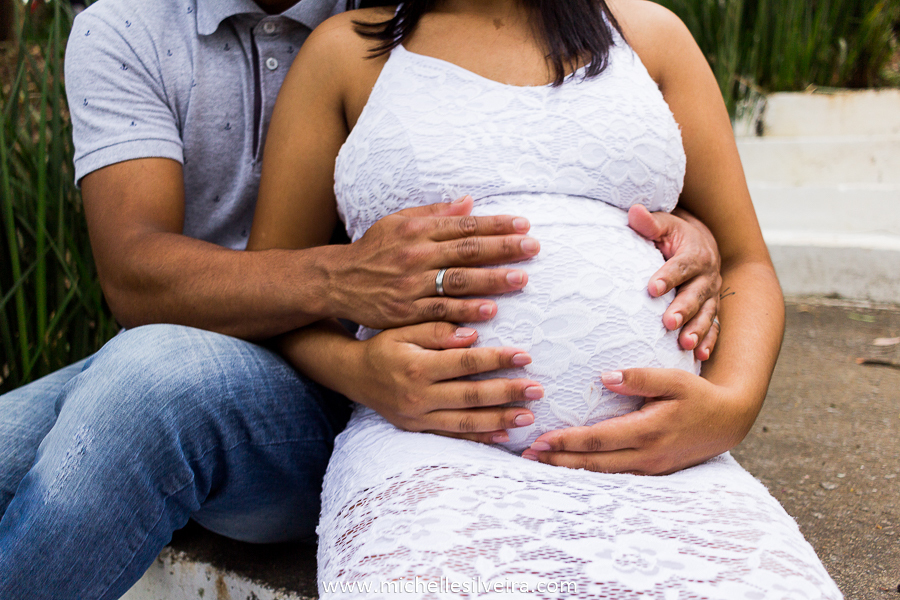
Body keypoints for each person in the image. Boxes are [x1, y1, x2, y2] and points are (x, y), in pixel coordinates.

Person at [0, 1, 721, 598]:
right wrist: (338, 277)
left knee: (148, 381)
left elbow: (537, 130)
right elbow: (134, 276)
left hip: (311, 377)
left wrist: (682, 223)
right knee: (101, 398)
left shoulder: (393, 11)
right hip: (240, 350)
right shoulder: (126, 28)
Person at [246, 0, 842, 597]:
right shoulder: (348, 53)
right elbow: (274, 290)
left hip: (668, 467)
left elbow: (744, 261)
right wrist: (358, 370)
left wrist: (730, 409)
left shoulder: (652, 37)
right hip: (428, 455)